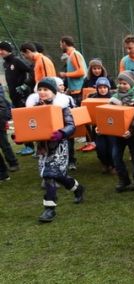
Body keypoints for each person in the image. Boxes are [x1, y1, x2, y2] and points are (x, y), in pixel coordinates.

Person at [26, 77, 85, 222]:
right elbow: (29, 125)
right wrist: (21, 135)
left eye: (46, 89)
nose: (42, 92)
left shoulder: (62, 107)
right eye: (40, 89)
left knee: (49, 175)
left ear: (53, 91)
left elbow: (71, 125)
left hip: (59, 146)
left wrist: (61, 133)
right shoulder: (34, 107)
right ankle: (77, 188)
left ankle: (49, 209)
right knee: (57, 175)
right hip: (43, 147)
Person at [107, 71, 134, 192]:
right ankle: (123, 180)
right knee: (116, 157)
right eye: (120, 83)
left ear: (131, 84)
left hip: (133, 134)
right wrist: (103, 126)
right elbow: (108, 114)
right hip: (118, 134)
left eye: (125, 83)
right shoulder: (114, 98)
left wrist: (131, 130)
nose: (122, 85)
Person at [87, 77, 116, 174]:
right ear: (97, 88)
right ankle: (104, 163)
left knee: (112, 147)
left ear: (108, 88)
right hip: (97, 128)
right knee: (100, 148)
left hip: (112, 127)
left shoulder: (114, 98)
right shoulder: (92, 98)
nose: (102, 89)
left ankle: (112, 165)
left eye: (104, 87)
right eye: (100, 87)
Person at [58, 36, 87, 106]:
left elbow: (81, 72)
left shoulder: (74, 54)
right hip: (74, 90)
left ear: (64, 43)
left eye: (61, 44)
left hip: (78, 91)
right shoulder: (71, 55)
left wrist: (65, 74)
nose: (60, 47)